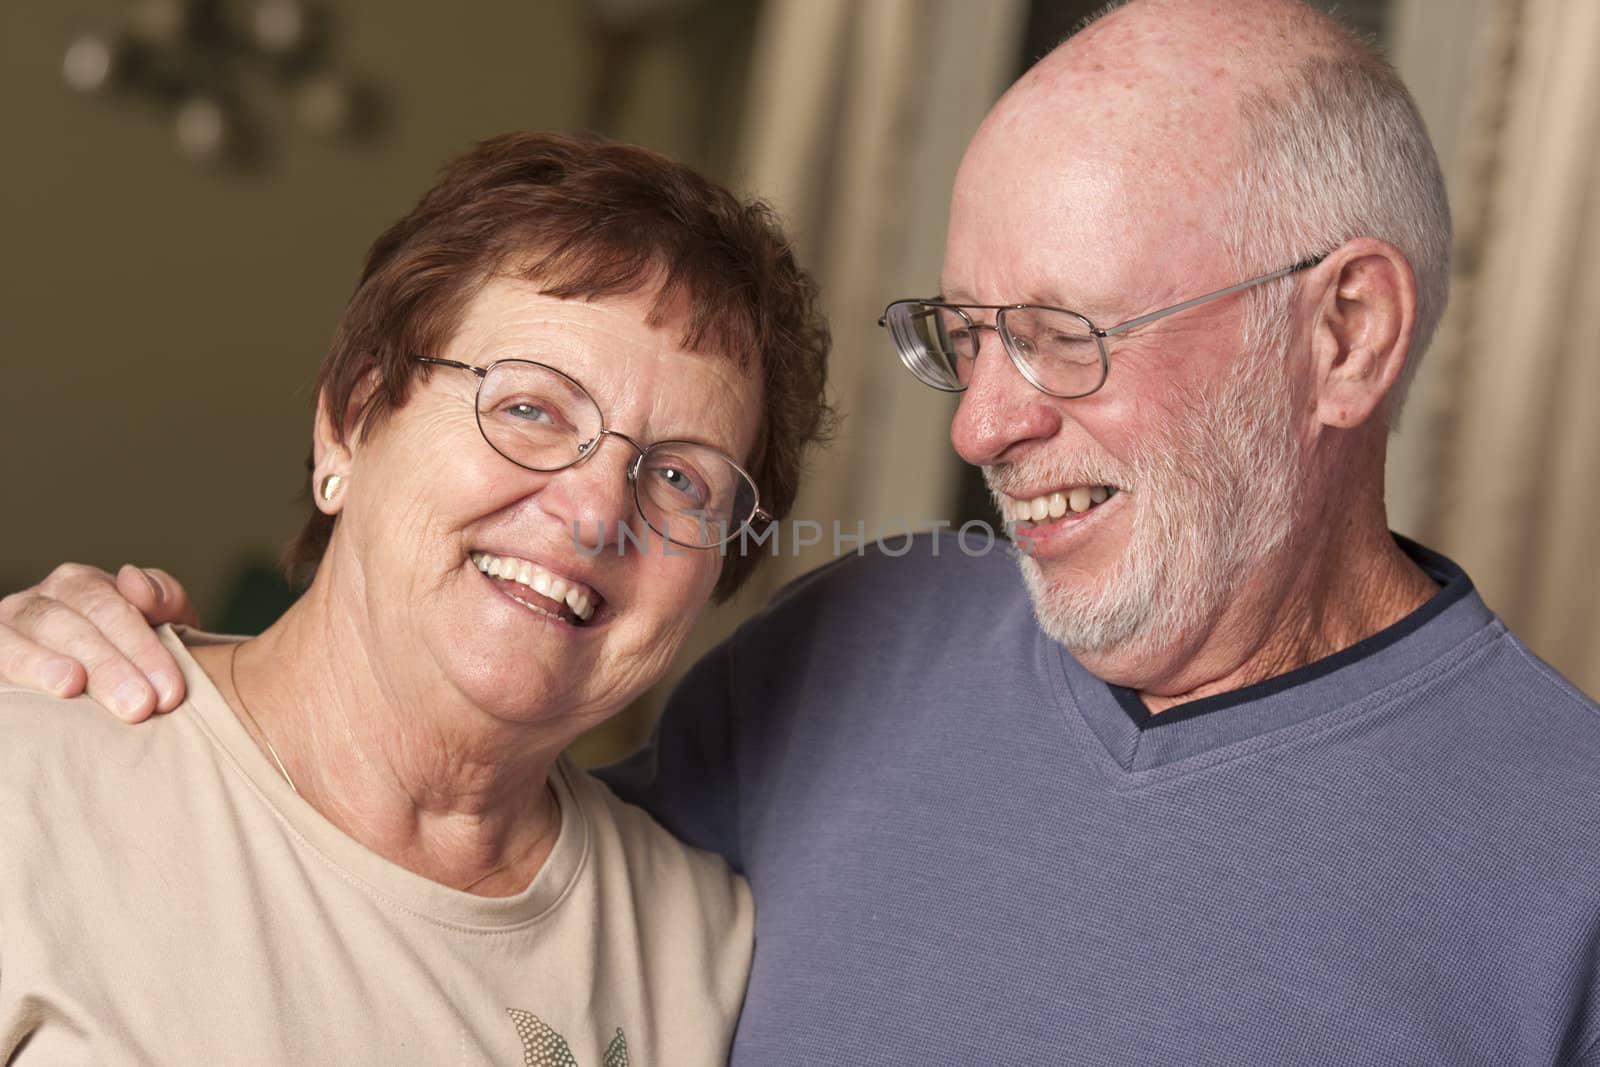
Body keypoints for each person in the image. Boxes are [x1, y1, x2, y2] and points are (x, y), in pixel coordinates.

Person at [6, 1, 1600, 1064]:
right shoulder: (863, 644)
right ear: (349, 416)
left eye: (1065, 332)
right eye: (967, 336)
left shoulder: (1568, 870)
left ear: (1344, 337)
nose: (979, 428)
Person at [0, 130, 834, 1063]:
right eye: (530, 408)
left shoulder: (704, 949)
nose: (597, 510)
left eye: (681, 478)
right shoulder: (28, 781)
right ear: (349, 425)